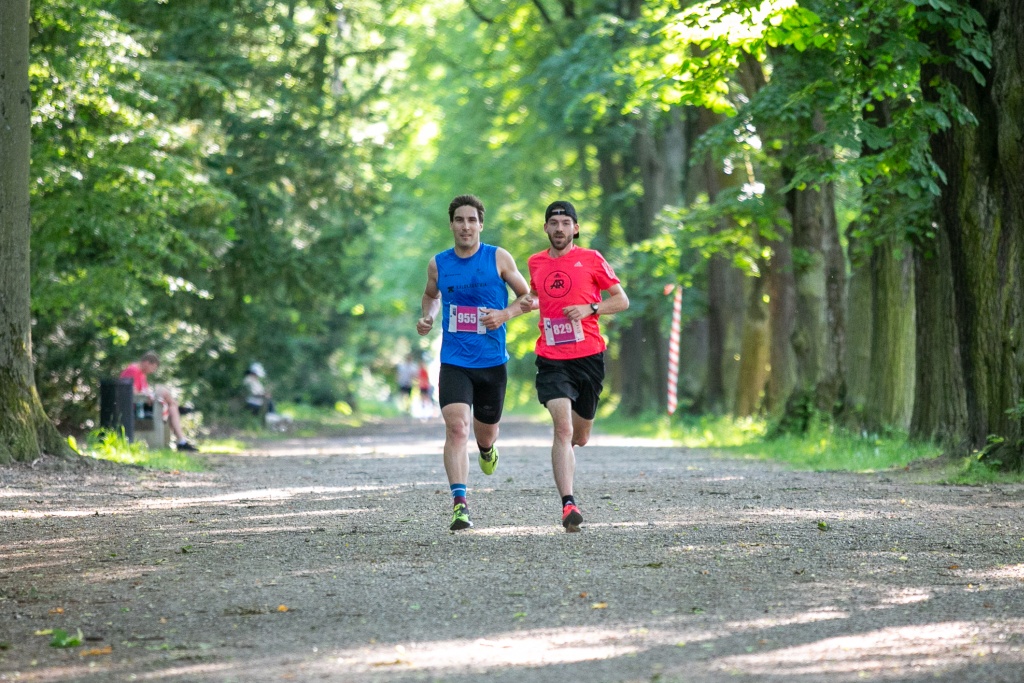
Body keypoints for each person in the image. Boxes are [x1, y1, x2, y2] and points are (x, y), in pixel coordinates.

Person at [417, 194, 532, 531]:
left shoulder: (498, 258)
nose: (465, 226)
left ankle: (486, 449)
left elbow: (529, 297)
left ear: (481, 224)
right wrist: (428, 316)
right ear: (451, 225)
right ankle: (460, 504)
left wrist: (505, 314)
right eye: (459, 220)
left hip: (491, 361)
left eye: (471, 220)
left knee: (485, 432)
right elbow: (431, 295)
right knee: (457, 428)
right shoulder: (439, 263)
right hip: (454, 360)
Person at [523, 200, 629, 532]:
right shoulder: (536, 262)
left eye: (566, 223)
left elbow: (621, 300)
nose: (559, 229)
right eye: (554, 223)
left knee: (580, 436)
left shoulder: (592, 258)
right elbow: (536, 296)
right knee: (563, 429)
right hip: (551, 357)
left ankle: (567, 457)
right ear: (546, 228)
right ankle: (568, 504)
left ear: (575, 228)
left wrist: (590, 308)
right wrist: (523, 303)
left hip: (588, 357)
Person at [120, 351, 199, 452]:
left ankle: (181, 441)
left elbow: (144, 391)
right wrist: (149, 395)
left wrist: (149, 395)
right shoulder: (133, 370)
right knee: (163, 392)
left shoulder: (142, 374)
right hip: (135, 408)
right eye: (153, 368)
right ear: (147, 363)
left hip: (143, 405)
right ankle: (181, 439)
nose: (153, 371)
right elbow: (132, 393)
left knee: (172, 408)